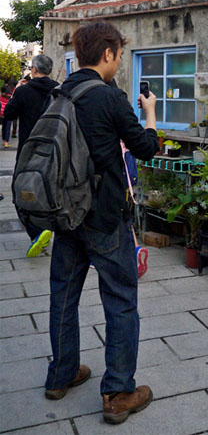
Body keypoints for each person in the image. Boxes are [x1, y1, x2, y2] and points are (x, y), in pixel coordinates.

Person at [43, 21, 159, 424]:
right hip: (104, 217)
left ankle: (61, 375)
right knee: (121, 301)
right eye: (120, 54)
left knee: (64, 293)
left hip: (64, 215)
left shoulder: (60, 92)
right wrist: (151, 114)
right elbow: (146, 148)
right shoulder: (109, 98)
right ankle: (118, 392)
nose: (119, 61)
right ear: (108, 53)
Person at [5, 54, 60, 257]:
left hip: (29, 151)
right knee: (51, 190)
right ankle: (51, 227)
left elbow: (8, 114)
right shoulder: (60, 90)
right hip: (56, 151)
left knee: (20, 193)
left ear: (34, 70)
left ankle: (36, 231)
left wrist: (17, 92)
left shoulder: (24, 91)